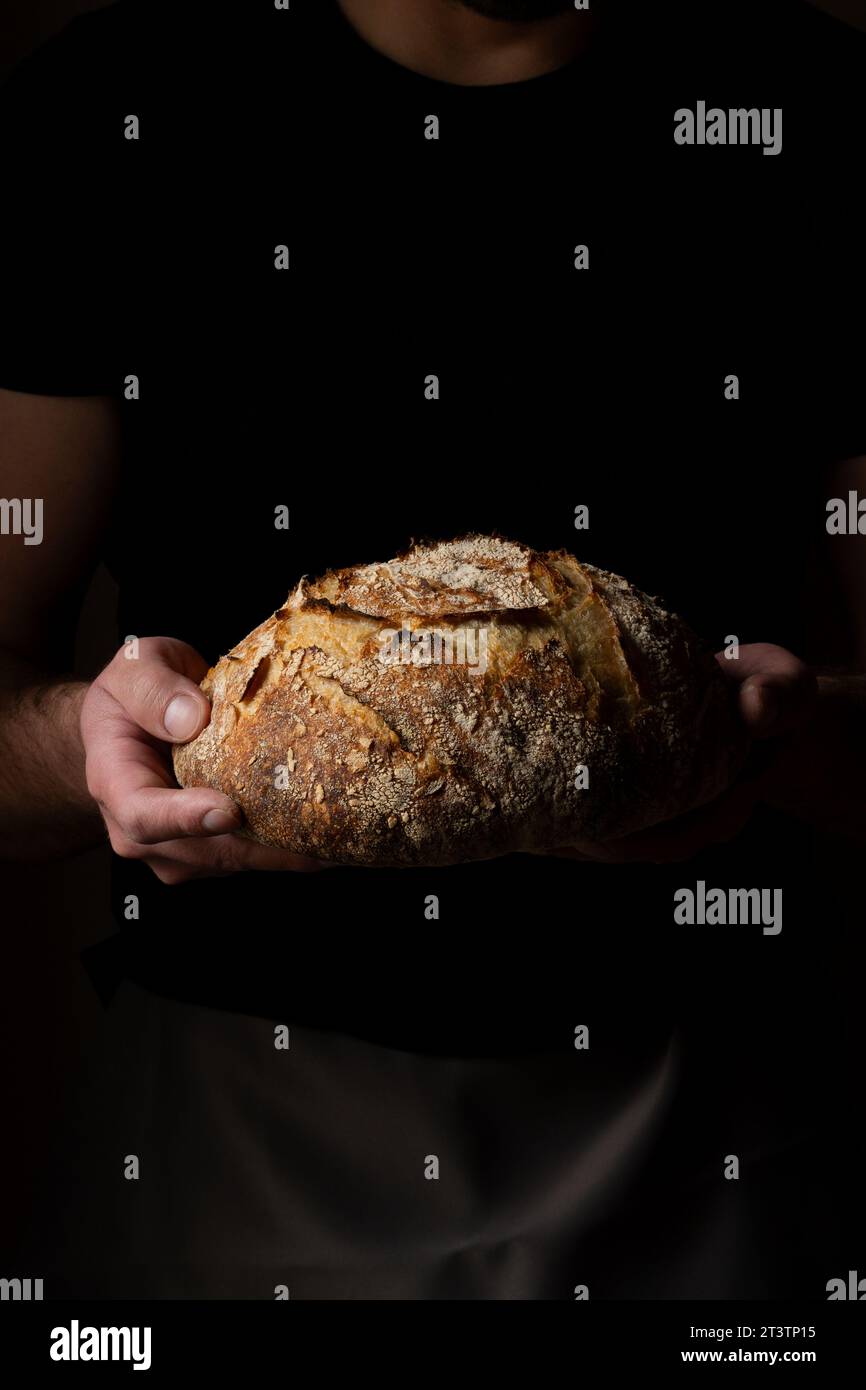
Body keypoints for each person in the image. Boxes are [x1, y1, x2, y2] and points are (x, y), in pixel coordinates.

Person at [1, 0, 864, 1298]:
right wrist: (95, 751)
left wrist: (769, 750)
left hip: (721, 1138)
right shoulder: (120, 108)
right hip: (238, 1145)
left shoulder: (810, 108)